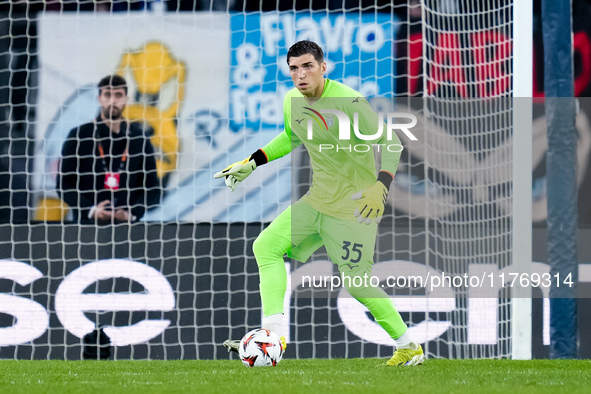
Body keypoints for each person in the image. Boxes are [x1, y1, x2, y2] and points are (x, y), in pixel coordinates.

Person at [215, 41, 424, 366]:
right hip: (317, 202)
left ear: (323, 67)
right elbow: (290, 137)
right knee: (265, 246)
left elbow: (392, 142)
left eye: (307, 66)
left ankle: (409, 346)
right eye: (294, 68)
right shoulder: (291, 102)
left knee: (357, 284)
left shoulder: (350, 102)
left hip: (354, 207)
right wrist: (252, 162)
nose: (300, 74)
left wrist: (380, 187)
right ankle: (272, 335)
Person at [57, 75, 161, 224]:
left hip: (127, 229)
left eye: (118, 95)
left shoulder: (139, 139)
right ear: (99, 99)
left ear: (127, 99)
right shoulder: (79, 135)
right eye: (107, 95)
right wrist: (90, 209)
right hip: (86, 227)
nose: (113, 101)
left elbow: (152, 189)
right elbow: (64, 185)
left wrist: (132, 213)